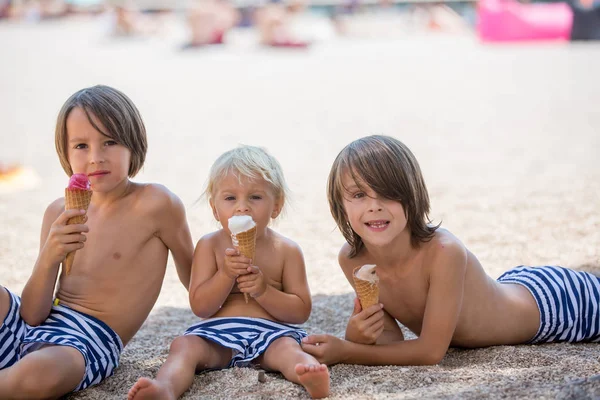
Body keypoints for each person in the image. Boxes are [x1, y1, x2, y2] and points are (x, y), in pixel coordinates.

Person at [301, 135, 600, 366]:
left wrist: (348, 352)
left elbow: (431, 351)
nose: (374, 205)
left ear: (412, 196)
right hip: (509, 288)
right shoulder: (352, 258)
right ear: (340, 204)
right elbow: (390, 338)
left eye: (388, 194)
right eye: (358, 194)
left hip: (555, 305)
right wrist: (358, 335)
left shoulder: (444, 252)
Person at [0, 85, 194, 399]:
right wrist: (50, 256)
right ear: (65, 153)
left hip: (87, 342)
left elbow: (195, 283)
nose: (96, 157)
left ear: (134, 144)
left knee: (42, 372)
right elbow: (33, 314)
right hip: (33, 327)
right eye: (81, 145)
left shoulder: (156, 204)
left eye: (110, 142)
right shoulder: (58, 212)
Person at [128, 145, 329, 400]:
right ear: (215, 209)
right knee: (184, 346)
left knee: (289, 349)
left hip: (271, 335)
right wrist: (224, 275)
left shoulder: (287, 250)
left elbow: (300, 311)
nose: (242, 208)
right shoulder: (209, 246)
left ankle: (308, 376)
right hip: (218, 335)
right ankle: (165, 388)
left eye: (255, 197)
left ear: (276, 206)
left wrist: (264, 291)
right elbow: (201, 307)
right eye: (230, 198)